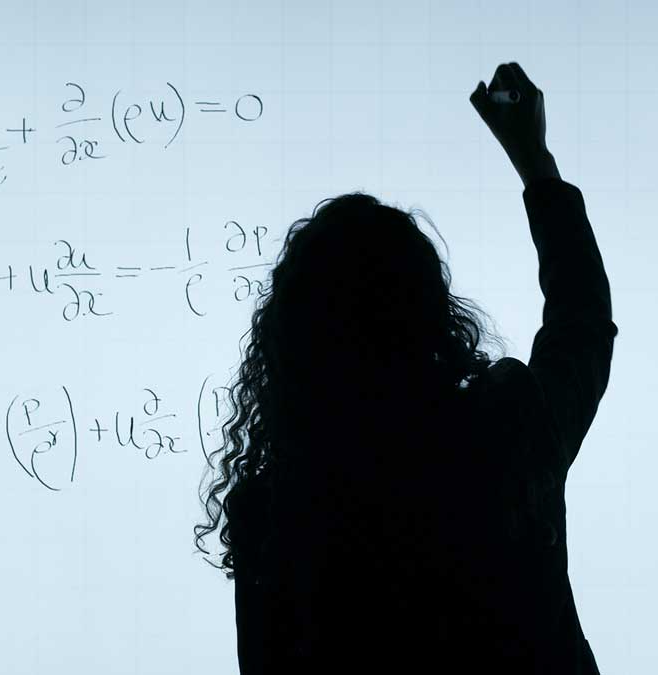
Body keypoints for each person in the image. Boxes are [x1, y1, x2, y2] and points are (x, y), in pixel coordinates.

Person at [195, 62, 616, 674]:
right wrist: (534, 162)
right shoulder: (506, 434)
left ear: (291, 343)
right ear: (434, 316)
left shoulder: (273, 514)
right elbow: (581, 324)